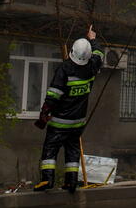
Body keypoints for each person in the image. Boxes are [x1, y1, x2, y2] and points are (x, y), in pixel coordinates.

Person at [33, 25, 105, 193]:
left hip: (59, 122)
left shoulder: (65, 68)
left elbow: (53, 94)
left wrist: (44, 113)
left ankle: (47, 180)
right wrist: (93, 39)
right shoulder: (92, 67)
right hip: (78, 122)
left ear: (72, 50)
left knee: (50, 148)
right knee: (72, 151)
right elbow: (99, 54)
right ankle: (71, 182)